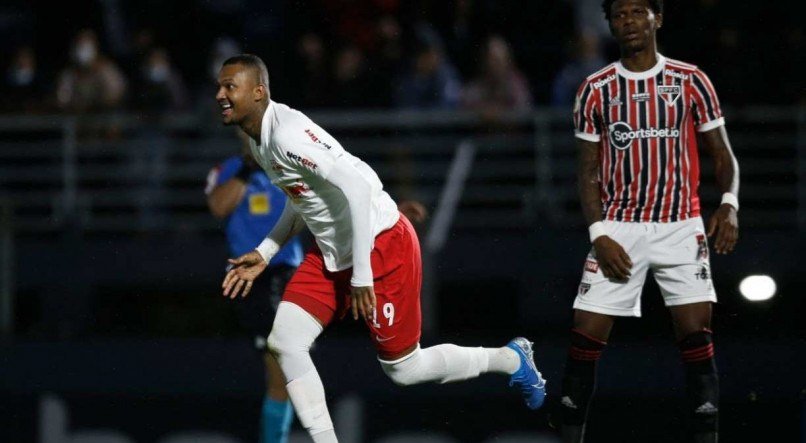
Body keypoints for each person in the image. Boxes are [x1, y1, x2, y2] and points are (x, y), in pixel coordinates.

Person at [215, 54, 546, 442]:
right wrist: (266, 251)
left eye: (229, 86)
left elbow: (355, 187)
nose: (220, 94)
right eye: (219, 87)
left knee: (404, 369)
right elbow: (301, 199)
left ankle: (510, 359)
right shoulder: (261, 144)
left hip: (382, 247)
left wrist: (361, 275)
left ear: (258, 93)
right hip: (333, 252)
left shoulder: (287, 134)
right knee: (285, 342)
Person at [559, 1, 740, 442]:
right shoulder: (595, 89)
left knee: (696, 334)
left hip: (681, 224)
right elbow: (587, 171)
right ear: (610, 24)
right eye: (619, 14)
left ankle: (707, 435)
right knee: (584, 335)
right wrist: (599, 235)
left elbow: (722, 155)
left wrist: (730, 204)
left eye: (638, 11)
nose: (628, 21)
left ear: (658, 18)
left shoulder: (690, 80)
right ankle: (567, 432)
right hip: (618, 227)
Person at [206, 135, 304, 443]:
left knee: (286, 377)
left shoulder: (288, 168)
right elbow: (218, 207)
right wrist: (247, 169)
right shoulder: (229, 169)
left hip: (290, 275)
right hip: (254, 278)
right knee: (281, 375)